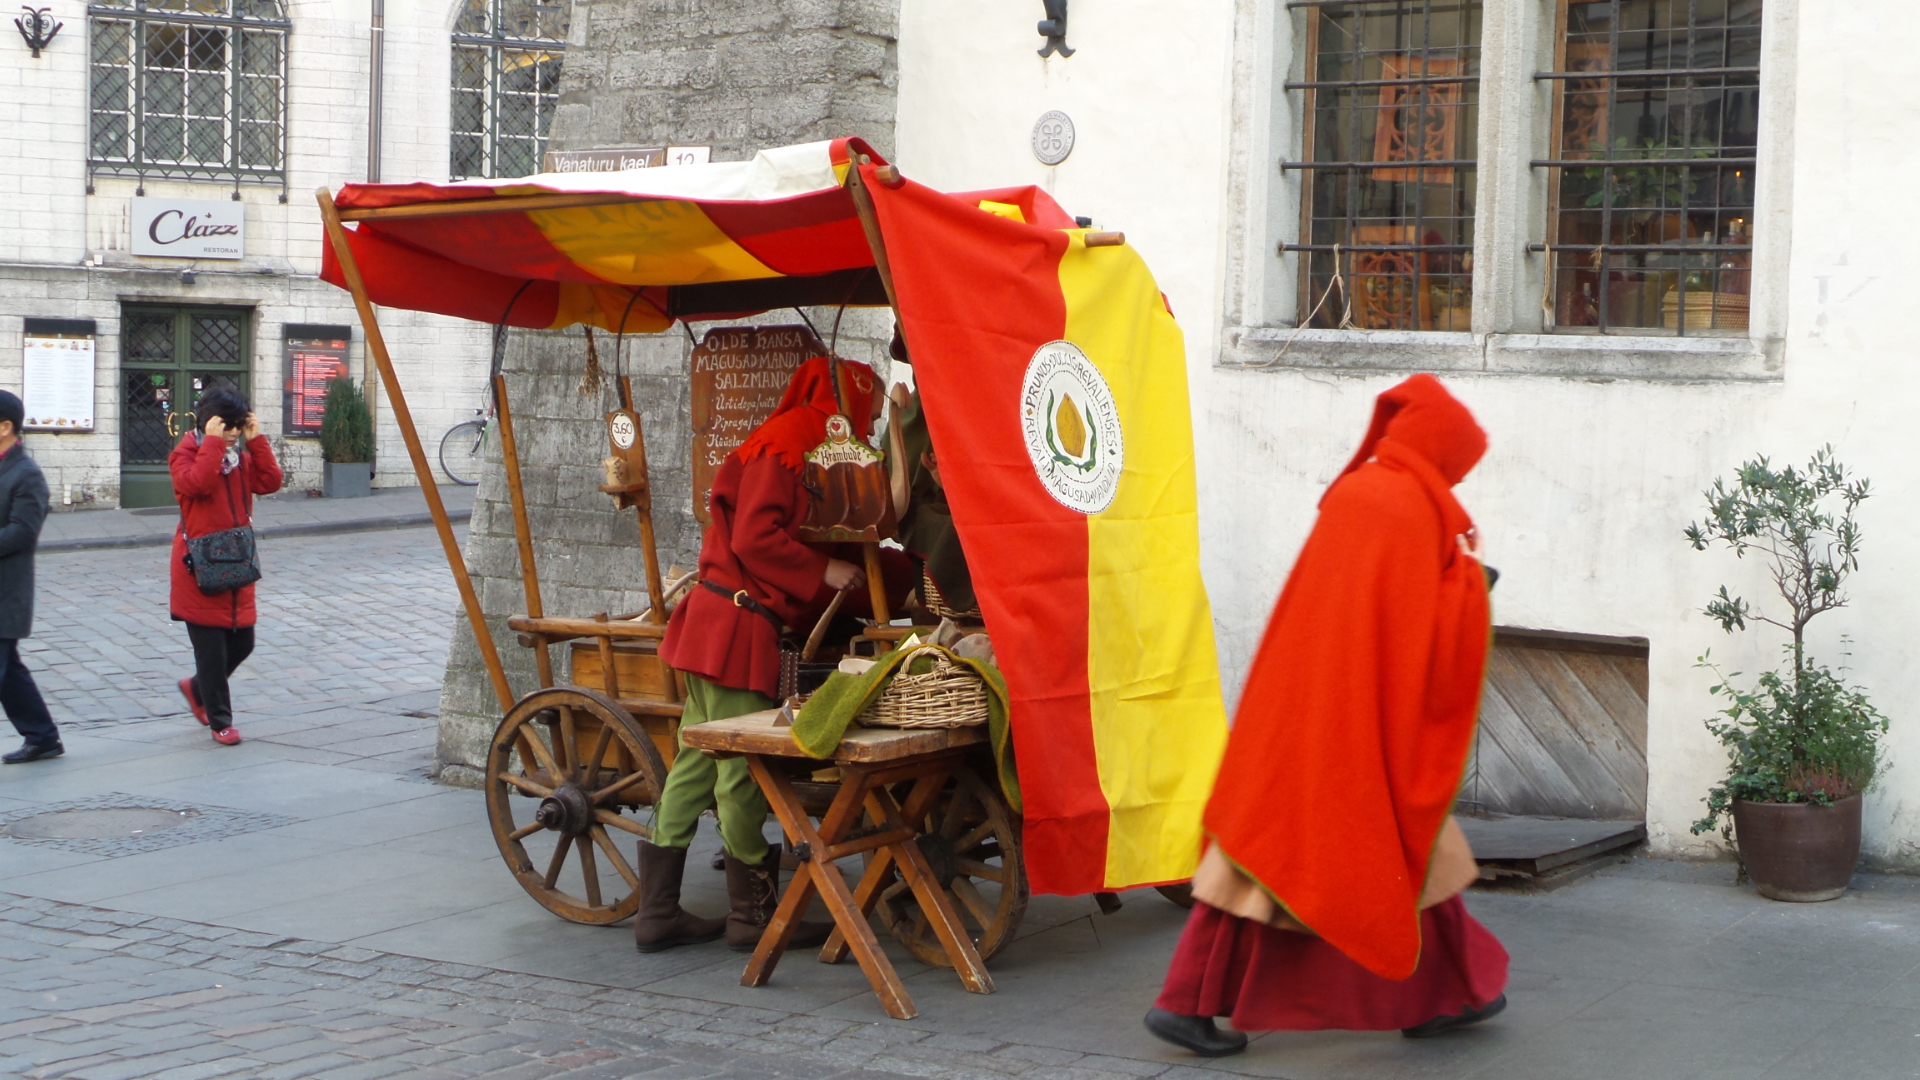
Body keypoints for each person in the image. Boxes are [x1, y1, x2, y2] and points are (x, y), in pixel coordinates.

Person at [1145, 374, 1508, 1056]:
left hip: (1305, 709)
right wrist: (1470, 587)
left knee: (1404, 854)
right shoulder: (1402, 507)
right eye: (1458, 461)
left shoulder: (1367, 491)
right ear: (1441, 449)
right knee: (1280, 862)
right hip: (1345, 725)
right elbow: (1412, 626)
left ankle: (1449, 993)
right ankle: (1182, 1003)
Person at [645, 355, 911, 954]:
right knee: (742, 767)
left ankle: (657, 913)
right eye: (865, 421)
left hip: (716, 622)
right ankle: (754, 916)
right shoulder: (788, 444)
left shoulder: (803, 445)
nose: (864, 433)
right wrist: (823, 570)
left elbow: (811, 527)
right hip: (735, 626)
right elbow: (755, 538)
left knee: (694, 760)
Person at [171, 389, 282, 746]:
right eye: (228, 427)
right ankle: (220, 721)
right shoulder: (185, 455)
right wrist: (214, 444)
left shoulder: (239, 459)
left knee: (243, 641)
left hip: (236, 562)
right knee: (212, 653)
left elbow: (270, 482)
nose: (234, 433)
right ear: (210, 423)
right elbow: (198, 484)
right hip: (199, 567)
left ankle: (196, 689)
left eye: (239, 426)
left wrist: (257, 440)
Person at [0, 390, 62, 765]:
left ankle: (43, 737)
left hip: (6, 591)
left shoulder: (27, 474)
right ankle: (42, 736)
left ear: (5, 427)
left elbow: (22, 531)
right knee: (9, 673)